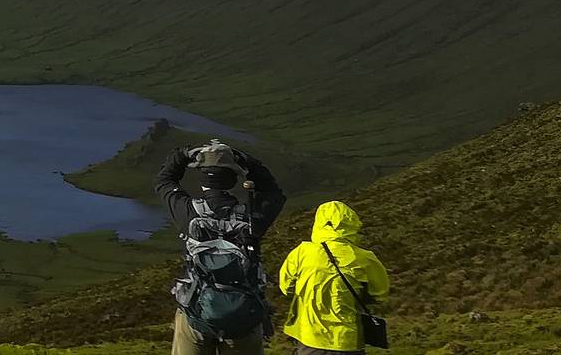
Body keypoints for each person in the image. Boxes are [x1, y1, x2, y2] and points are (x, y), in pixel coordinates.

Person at [156, 140, 288, 355]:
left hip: (196, 312)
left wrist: (183, 155)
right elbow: (274, 193)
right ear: (233, 179)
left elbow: (164, 181)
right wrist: (246, 161)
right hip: (244, 315)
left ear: (202, 181)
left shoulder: (188, 213)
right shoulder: (251, 218)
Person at [277, 201, 390, 354]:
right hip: (348, 341)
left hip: (310, 339)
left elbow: (286, 288)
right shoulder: (365, 258)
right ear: (352, 223)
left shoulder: (301, 253)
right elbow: (380, 294)